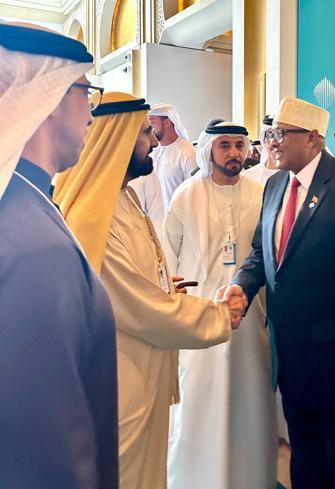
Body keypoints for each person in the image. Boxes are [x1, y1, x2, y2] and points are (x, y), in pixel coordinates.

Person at [53, 92, 246, 489]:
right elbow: (136, 305)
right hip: (121, 379)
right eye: (144, 134)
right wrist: (217, 315)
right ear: (119, 140)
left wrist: (163, 285)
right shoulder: (97, 217)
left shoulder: (123, 197)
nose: (154, 142)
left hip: (141, 371)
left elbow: (131, 280)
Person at [225, 96, 335, 489]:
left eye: (282, 134)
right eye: (270, 133)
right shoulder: (274, 185)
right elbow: (261, 251)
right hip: (291, 360)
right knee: (305, 466)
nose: (272, 142)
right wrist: (240, 286)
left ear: (314, 138)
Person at [0, 23, 118, 488]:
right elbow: (45, 459)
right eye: (86, 92)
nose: (91, 115)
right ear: (48, 97)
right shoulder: (36, 249)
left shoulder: (24, 201)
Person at [164, 122, 277, 489]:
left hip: (251, 317)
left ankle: (250, 479)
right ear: (209, 150)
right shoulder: (186, 195)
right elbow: (167, 257)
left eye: (239, 145)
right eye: (224, 145)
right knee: (198, 398)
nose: (234, 153)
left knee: (251, 396)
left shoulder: (261, 193)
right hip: (198, 318)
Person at [147, 103, 197, 210]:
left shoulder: (188, 153)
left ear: (167, 123)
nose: (149, 129)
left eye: (152, 124)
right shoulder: (153, 152)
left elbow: (194, 195)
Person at [244, 115, 279, 185]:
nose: (274, 142)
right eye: (270, 135)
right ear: (264, 139)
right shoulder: (248, 177)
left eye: (280, 135)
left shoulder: (297, 177)